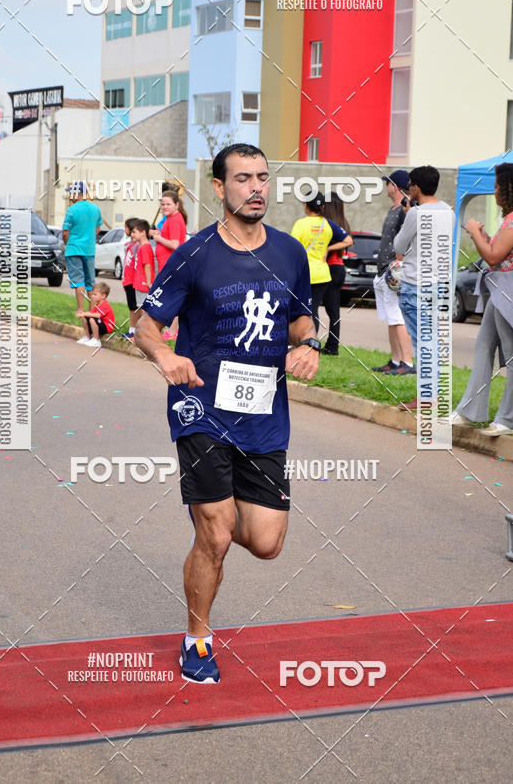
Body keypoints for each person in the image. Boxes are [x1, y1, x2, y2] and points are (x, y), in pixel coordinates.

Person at [135, 142, 320, 685]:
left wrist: (309, 344)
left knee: (265, 543)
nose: (256, 187)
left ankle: (208, 517)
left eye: (263, 178)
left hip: (264, 414)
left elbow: (302, 320)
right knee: (215, 535)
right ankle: (197, 638)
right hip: (202, 410)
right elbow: (145, 324)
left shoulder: (289, 253)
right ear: (219, 188)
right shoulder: (193, 254)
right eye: (243, 179)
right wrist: (166, 354)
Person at [451, 162, 513, 436]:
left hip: (512, 289)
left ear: (507, 188)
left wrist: (473, 232)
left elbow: (493, 257)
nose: (494, 192)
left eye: (496, 187)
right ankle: (470, 411)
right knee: (483, 346)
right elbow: (497, 251)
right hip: (502, 287)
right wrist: (483, 236)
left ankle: (511, 419)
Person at [393, 165, 455, 358]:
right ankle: (435, 385)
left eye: (410, 185)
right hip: (440, 284)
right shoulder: (448, 212)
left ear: (416, 188)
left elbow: (399, 247)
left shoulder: (415, 213)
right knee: (434, 340)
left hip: (415, 284)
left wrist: (407, 214)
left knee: (422, 343)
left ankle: (429, 387)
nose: (408, 188)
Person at [291, 193, 352, 350]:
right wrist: (327, 247)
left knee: (301, 310)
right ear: (322, 207)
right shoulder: (328, 224)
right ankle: (312, 345)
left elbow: (292, 248)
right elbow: (348, 240)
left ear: (305, 205)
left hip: (304, 274)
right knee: (313, 310)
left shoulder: (300, 224)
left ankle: (301, 343)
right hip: (323, 274)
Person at [371, 170, 415, 375]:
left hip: (394, 270)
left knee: (398, 317)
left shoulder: (407, 209)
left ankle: (407, 361)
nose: (385, 187)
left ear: (394, 186)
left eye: (387, 183)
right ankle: (396, 360)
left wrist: (399, 266)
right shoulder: (393, 209)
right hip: (384, 270)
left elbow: (408, 239)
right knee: (391, 318)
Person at [149, 189, 188, 341]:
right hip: (167, 263)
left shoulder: (175, 220)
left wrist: (158, 238)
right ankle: (169, 329)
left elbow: (175, 245)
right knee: (168, 296)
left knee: (172, 297)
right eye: (163, 204)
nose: (165, 207)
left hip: (172, 264)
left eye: (168, 204)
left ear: (176, 205)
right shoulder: (170, 219)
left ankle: (172, 332)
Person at [62, 181, 103, 317]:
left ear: (76, 193)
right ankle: (91, 310)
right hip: (89, 250)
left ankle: (80, 309)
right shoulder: (95, 209)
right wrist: (89, 238)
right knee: (90, 282)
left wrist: (68, 243)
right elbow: (97, 228)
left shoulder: (71, 210)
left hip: (74, 249)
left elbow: (65, 232)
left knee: (78, 281)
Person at [321, 193, 353, 355]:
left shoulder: (327, 226)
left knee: (312, 308)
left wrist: (327, 249)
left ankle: (318, 344)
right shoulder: (343, 224)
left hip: (328, 270)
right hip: (339, 269)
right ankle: (332, 346)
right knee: (334, 312)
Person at [131, 219, 156, 327]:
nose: (133, 235)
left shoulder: (145, 247)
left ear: (143, 233)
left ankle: (145, 330)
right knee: (140, 307)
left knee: (143, 308)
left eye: (135, 232)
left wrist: (148, 282)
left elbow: (147, 265)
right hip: (138, 282)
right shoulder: (141, 247)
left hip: (143, 283)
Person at [75, 281, 115, 348]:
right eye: (92, 294)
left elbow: (98, 315)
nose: (92, 296)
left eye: (95, 294)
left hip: (107, 327)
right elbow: (91, 313)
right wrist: (82, 314)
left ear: (103, 296)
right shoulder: (97, 305)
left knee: (92, 319)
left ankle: (96, 340)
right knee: (84, 318)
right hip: (99, 324)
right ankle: (88, 337)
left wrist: (84, 313)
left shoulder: (105, 305)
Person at [122, 217, 140, 340]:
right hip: (127, 280)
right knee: (131, 306)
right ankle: (131, 329)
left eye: (126, 228)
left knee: (135, 307)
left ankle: (135, 331)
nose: (126, 230)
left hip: (134, 281)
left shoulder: (137, 246)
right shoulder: (129, 244)